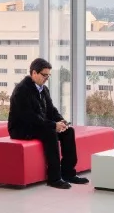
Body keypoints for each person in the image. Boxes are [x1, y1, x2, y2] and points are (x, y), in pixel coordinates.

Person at [7, 58, 88, 189]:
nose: (47, 78)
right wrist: (53, 125)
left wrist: (61, 121)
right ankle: (54, 178)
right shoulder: (21, 90)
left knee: (68, 131)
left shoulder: (43, 89)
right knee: (50, 133)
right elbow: (30, 117)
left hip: (38, 125)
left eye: (48, 75)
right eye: (44, 75)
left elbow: (51, 110)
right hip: (22, 128)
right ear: (34, 73)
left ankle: (68, 173)